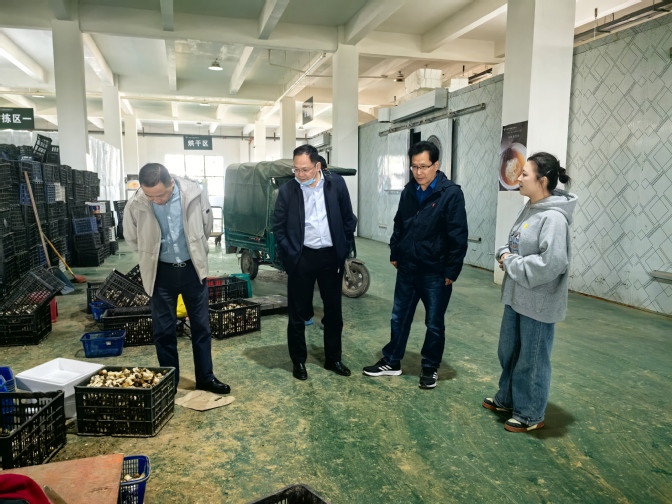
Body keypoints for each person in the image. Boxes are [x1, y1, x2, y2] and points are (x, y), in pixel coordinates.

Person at [482, 152, 577, 432]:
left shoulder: (554, 219)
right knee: (509, 351)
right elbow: (516, 244)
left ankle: (530, 413)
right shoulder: (530, 208)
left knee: (531, 359)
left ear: (542, 180)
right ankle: (508, 398)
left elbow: (552, 264)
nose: (519, 178)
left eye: (525, 174)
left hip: (538, 302)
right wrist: (504, 252)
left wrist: (511, 262)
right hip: (517, 296)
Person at [363, 141, 468, 389]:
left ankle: (430, 366)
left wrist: (452, 270)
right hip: (407, 268)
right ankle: (392, 361)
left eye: (424, 166)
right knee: (399, 316)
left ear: (436, 165)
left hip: (435, 271)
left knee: (434, 322)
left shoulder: (450, 193)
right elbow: (399, 223)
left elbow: (458, 235)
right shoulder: (409, 190)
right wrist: (395, 251)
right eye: (414, 167)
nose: (418, 172)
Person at [125, 163, 230, 394]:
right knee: (163, 331)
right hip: (160, 273)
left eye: (161, 195)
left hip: (193, 269)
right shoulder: (136, 203)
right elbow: (131, 237)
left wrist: (196, 251)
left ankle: (206, 378)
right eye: (151, 196)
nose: (157, 200)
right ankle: (169, 382)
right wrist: (150, 254)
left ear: (171, 183)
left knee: (201, 327)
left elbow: (206, 226)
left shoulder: (193, 195)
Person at [273, 144, 357, 380]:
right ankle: (298, 362)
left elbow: (348, 218)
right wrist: (291, 254)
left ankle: (333, 359)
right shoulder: (288, 191)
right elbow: (278, 227)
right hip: (302, 258)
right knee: (297, 314)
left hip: (331, 257)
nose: (300, 174)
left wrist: (343, 247)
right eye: (296, 169)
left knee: (333, 312)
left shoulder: (336, 184)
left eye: (305, 169)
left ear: (318, 166)